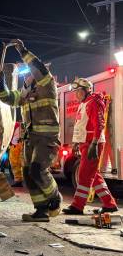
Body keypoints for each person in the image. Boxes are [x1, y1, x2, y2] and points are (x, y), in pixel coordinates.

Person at [0, 39, 62, 222]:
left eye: (28, 73)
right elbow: (8, 98)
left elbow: (37, 67)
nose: (27, 76)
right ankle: (41, 210)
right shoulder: (26, 93)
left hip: (46, 137)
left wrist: (22, 50)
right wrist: (2, 84)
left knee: (37, 168)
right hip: (31, 138)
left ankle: (55, 197)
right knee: (27, 173)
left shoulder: (47, 86)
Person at [62, 78, 118, 215]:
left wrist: (94, 143)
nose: (76, 94)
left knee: (84, 175)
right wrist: (76, 143)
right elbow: (81, 125)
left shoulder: (94, 102)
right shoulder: (84, 103)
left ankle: (77, 206)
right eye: (75, 91)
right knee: (94, 175)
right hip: (85, 143)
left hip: (92, 143)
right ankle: (109, 204)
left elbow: (99, 124)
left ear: (86, 90)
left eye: (78, 91)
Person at [9, 122, 24, 187]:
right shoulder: (22, 125)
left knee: (15, 164)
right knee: (21, 163)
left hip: (15, 145)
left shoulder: (14, 125)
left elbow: (10, 135)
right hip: (21, 145)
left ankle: (18, 180)